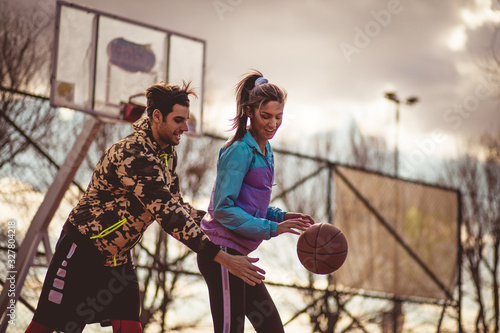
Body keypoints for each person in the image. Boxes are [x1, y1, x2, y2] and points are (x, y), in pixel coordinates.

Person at [25, 82, 265, 333]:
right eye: (178, 120)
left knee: (131, 327)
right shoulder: (133, 153)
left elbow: (177, 205)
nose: (185, 126)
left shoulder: (167, 154)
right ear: (157, 117)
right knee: (44, 327)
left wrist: (217, 226)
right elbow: (169, 215)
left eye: (187, 119)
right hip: (83, 249)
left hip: (117, 257)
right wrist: (222, 256)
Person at [197, 70, 315, 333]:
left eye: (278, 117)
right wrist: (271, 229)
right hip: (222, 253)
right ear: (249, 112)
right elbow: (223, 209)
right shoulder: (239, 150)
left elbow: (251, 205)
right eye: (266, 116)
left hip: (238, 253)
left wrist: (281, 217)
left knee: (272, 328)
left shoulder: (265, 150)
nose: (273, 123)